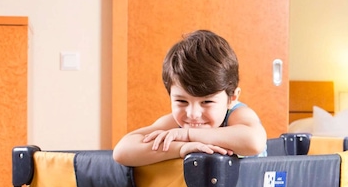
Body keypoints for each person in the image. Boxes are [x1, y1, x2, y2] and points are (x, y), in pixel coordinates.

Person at [113, 30, 267, 166]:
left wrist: (188, 135)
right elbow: (122, 151)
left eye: (207, 102)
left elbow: (254, 142)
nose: (193, 114)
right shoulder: (176, 124)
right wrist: (181, 148)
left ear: (232, 98)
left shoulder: (237, 114)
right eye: (181, 101)